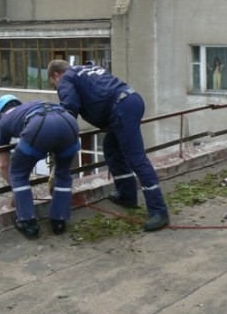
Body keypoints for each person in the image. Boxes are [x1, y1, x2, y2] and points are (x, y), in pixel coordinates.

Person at [46, 60, 170, 232]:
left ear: (56, 75)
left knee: (136, 158)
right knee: (111, 149)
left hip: (121, 108)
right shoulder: (87, 69)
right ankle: (127, 195)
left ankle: (159, 211)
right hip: (130, 100)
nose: (56, 87)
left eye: (54, 84)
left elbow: (71, 107)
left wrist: (59, 133)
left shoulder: (66, 78)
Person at [0, 94, 81, 239]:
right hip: (69, 122)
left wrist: (16, 189)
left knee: (18, 173)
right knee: (64, 174)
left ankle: (28, 223)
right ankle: (59, 221)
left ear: (1, 113)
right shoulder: (29, 106)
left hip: (41, 125)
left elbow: (4, 165)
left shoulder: (4, 120)